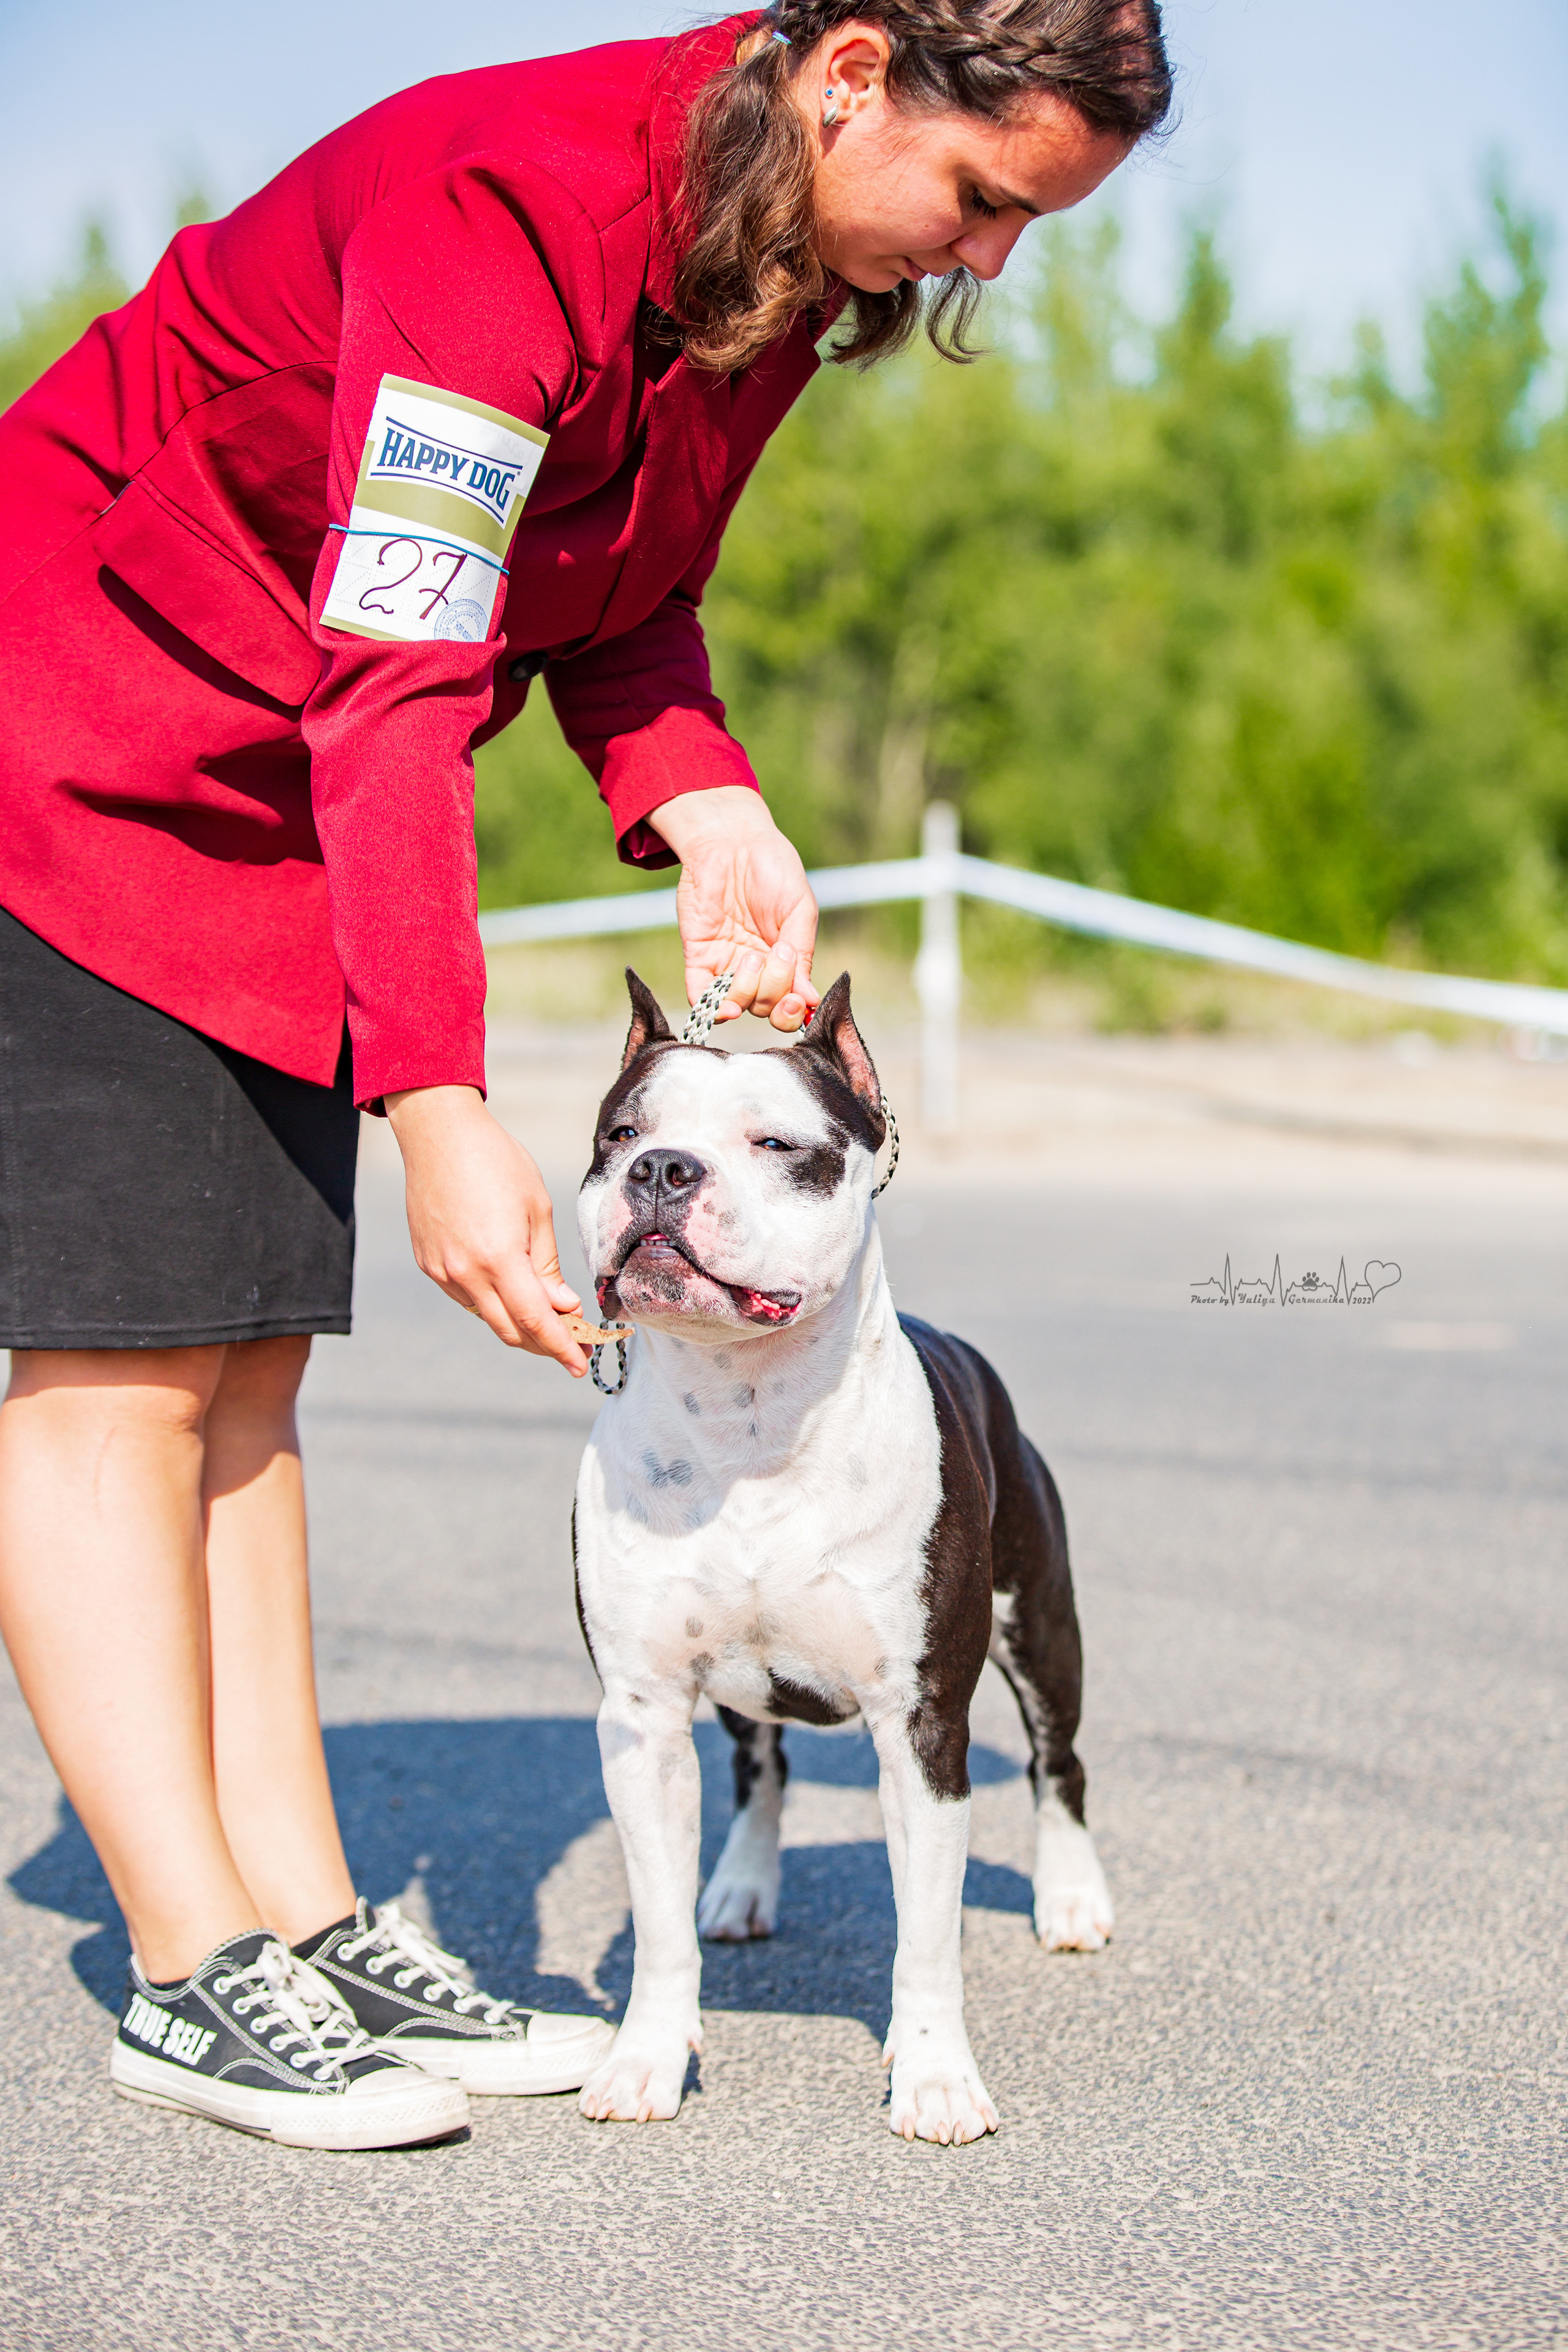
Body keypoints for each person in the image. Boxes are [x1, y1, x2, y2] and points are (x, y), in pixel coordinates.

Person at [0, 1, 1170, 2147]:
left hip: (299, 794)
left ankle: (309, 1918)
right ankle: (189, 1964)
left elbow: (620, 607)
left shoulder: (776, 274)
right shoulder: (509, 208)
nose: (984, 262)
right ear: (850, 79)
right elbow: (402, 671)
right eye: (986, 200)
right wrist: (444, 1102)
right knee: (116, 1375)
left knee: (249, 1365)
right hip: (87, 737)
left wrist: (703, 796)